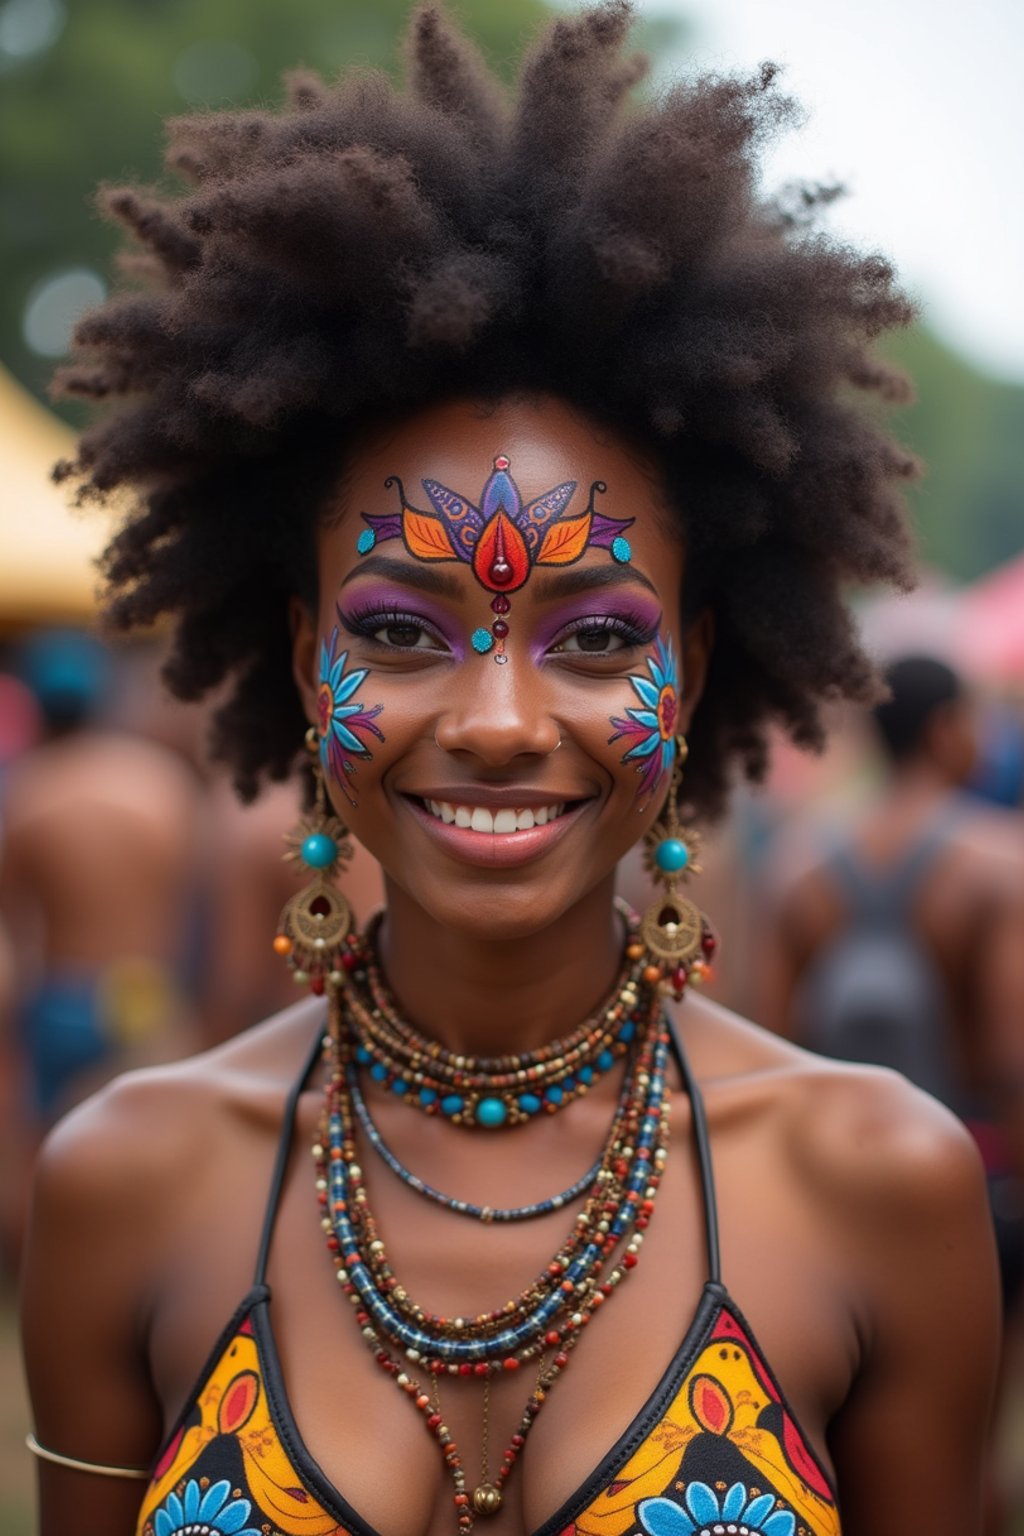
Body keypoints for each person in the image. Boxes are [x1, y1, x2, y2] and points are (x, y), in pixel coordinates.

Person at [20, 8, 1000, 1536]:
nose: (493, 717)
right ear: (299, 662)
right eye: (402, 629)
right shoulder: (125, 1179)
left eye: (597, 640)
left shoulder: (876, 1179)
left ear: (694, 665)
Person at [761, 655, 1024, 1298]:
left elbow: (770, 1043)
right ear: (944, 730)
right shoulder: (998, 862)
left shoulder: (798, 865)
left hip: (839, 1178)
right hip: (974, 1174)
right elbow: (1012, 1061)